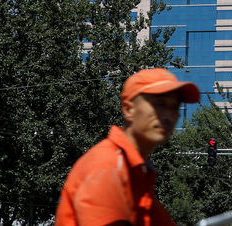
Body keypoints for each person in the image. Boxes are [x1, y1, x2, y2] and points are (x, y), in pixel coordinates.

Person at [55, 68, 200, 226]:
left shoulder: (137, 173)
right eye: (159, 105)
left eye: (174, 107)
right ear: (128, 109)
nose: (168, 116)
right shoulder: (108, 166)